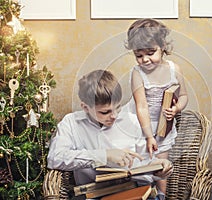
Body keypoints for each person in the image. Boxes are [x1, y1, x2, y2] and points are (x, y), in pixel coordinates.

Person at [47, 69, 173, 198]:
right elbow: (55, 158)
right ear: (85, 107)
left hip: (133, 193)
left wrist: (158, 168)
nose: (114, 116)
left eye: (117, 107)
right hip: (93, 194)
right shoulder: (71, 123)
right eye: (105, 112)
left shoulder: (132, 121)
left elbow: (145, 162)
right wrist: (104, 155)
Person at [124, 18, 188, 197]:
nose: (145, 59)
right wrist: (148, 136)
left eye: (151, 53)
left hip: (163, 124)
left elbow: (183, 96)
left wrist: (176, 110)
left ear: (162, 47)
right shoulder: (137, 73)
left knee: (162, 162)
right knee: (140, 163)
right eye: (138, 55)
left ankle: (161, 194)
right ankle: (139, 194)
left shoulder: (175, 69)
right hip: (140, 124)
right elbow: (142, 106)